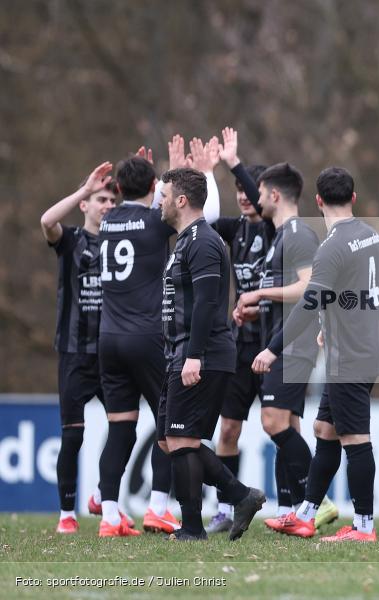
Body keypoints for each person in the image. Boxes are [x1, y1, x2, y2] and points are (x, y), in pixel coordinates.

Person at [252, 166, 379, 543]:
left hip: (350, 357)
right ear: (354, 198)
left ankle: (363, 527)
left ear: (319, 201)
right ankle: (306, 514)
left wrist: (272, 348)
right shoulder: (371, 236)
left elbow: (308, 304)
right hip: (363, 347)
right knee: (323, 431)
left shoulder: (332, 246)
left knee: (356, 440)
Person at [94, 140, 220, 537]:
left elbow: (142, 203)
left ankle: (110, 516)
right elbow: (204, 217)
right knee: (170, 427)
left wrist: (147, 180)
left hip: (108, 337)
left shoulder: (107, 221)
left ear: (117, 188)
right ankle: (158, 508)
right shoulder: (154, 222)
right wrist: (181, 174)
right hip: (147, 336)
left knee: (120, 428)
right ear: (155, 189)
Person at [156, 167, 265, 541]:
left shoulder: (203, 240)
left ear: (181, 200)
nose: (161, 201)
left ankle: (193, 527)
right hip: (180, 352)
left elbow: (205, 303)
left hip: (201, 353)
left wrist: (193, 355)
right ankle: (240, 495)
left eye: (165, 194)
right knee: (170, 440)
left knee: (184, 440)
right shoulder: (185, 240)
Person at [234, 163, 322, 534]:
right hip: (280, 339)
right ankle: (302, 508)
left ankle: (316, 502)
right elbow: (284, 294)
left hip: (295, 342)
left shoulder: (298, 234)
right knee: (283, 424)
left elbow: (307, 287)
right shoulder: (282, 236)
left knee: (273, 422)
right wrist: (256, 310)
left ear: (273, 195)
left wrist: (259, 292)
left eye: (259, 192)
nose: (254, 199)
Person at [40, 162, 117, 534]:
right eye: (100, 199)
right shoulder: (70, 240)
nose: (107, 206)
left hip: (111, 353)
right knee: (73, 435)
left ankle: (103, 495)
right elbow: (46, 220)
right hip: (73, 353)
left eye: (111, 201)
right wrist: (83, 190)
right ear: (86, 204)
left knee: (124, 429)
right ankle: (66, 515)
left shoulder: (122, 244)